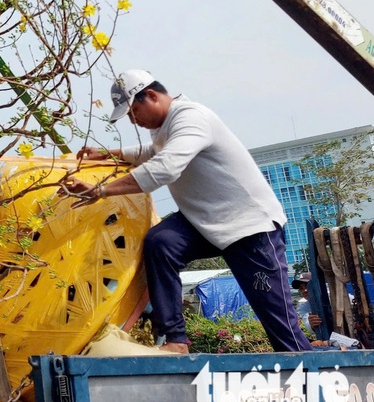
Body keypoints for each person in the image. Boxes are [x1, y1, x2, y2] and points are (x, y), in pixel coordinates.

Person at [63, 69, 311, 354]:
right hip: (206, 223)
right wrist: (108, 154)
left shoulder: (192, 117)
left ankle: (311, 373)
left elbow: (165, 166)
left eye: (133, 111)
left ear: (152, 96)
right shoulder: (165, 129)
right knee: (161, 243)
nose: (133, 120)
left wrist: (101, 190)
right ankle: (175, 339)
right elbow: (151, 152)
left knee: (280, 326)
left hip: (250, 227)